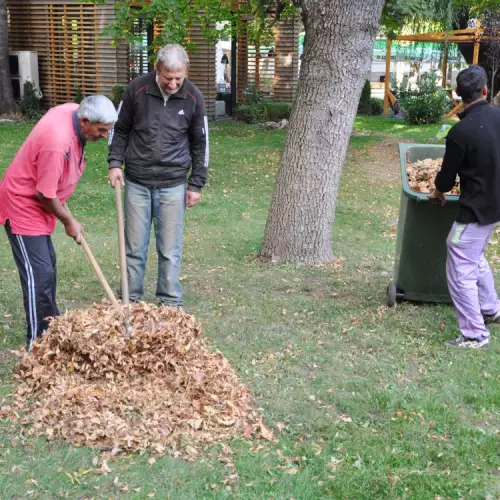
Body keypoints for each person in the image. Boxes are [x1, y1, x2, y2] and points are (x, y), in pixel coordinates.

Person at [0, 95, 118, 350]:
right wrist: (68, 220)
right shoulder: (58, 141)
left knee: (48, 268)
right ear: (85, 121)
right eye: (101, 131)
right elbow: (44, 193)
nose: (104, 136)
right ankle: (38, 346)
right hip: (23, 205)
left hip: (42, 201)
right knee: (38, 276)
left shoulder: (76, 114)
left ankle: (51, 332)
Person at [108, 44, 209, 308]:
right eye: (168, 78)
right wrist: (114, 163)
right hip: (137, 181)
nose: (174, 83)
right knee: (133, 247)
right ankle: (130, 299)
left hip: (173, 184)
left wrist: (196, 183)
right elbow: (119, 129)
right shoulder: (136, 90)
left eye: (179, 78)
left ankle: (170, 301)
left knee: (169, 249)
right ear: (157, 70)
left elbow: (201, 143)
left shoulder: (194, 97)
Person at [429, 65, 500, 348]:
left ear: (458, 95)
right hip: (496, 204)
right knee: (472, 254)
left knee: (459, 256)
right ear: (484, 90)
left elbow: (446, 181)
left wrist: (437, 192)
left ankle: (475, 333)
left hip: (478, 209)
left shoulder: (460, 133)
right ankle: (491, 309)